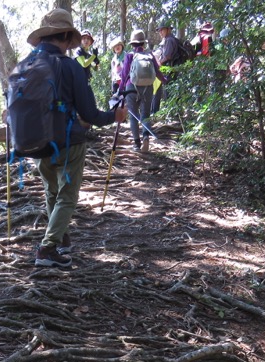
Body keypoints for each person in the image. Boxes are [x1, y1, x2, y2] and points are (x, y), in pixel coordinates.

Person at [25, 9, 127, 269]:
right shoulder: (71, 67)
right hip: (69, 141)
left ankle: (60, 237)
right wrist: (115, 116)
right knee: (67, 196)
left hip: (37, 142)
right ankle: (47, 249)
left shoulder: (26, 66)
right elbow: (89, 113)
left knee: (52, 191)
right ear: (68, 37)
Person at [119, 30, 159, 153]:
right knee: (145, 114)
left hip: (131, 87)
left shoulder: (129, 55)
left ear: (132, 44)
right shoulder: (150, 55)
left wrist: (120, 90)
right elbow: (157, 72)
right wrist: (165, 79)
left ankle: (136, 144)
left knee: (133, 116)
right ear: (143, 43)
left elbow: (125, 74)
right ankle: (146, 137)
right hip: (147, 86)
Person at [152, 23, 179, 114]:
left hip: (170, 69)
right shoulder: (168, 40)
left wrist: (159, 63)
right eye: (159, 30)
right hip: (170, 69)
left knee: (168, 91)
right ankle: (171, 112)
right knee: (168, 90)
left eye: (162, 30)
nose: (160, 32)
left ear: (168, 30)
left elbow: (167, 56)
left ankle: (170, 113)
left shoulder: (169, 40)